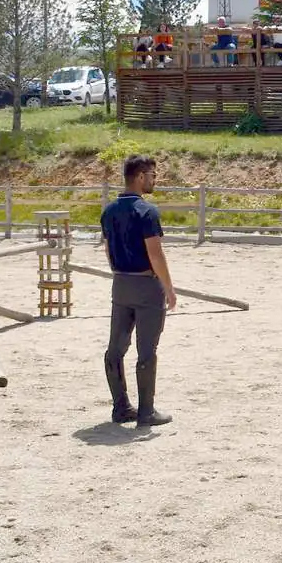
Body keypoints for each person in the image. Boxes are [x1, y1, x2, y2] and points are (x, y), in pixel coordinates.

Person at [100, 154, 176, 427]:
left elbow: (108, 251)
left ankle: (120, 407)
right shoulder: (147, 211)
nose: (155, 180)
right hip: (146, 285)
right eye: (153, 175)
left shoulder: (108, 211)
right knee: (146, 349)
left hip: (120, 283)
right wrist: (168, 287)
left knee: (115, 348)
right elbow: (155, 254)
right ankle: (146, 411)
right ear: (141, 176)